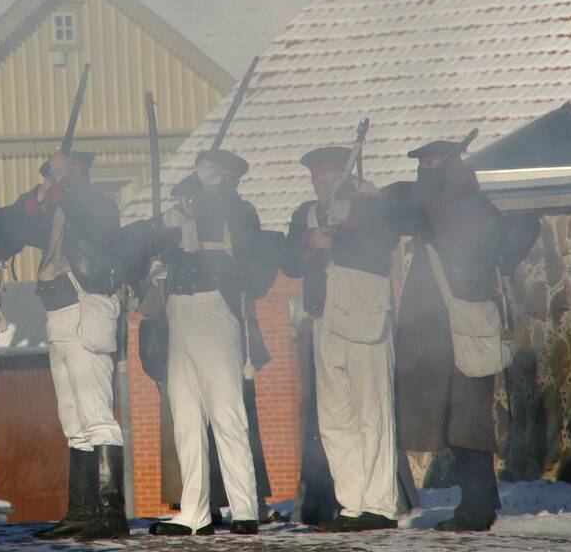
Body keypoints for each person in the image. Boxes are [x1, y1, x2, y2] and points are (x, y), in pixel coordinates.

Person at [1, 150, 129, 540]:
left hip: (84, 309)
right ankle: (82, 510)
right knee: (73, 420)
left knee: (97, 416)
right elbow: (19, 232)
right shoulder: (58, 209)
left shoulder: (97, 204)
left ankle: (110, 513)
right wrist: (38, 199)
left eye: (69, 173)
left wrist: (66, 188)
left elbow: (97, 223)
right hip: (57, 312)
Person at [389, 140, 506, 532]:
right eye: (423, 164)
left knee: (469, 426)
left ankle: (478, 508)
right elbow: (403, 210)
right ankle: (478, 502)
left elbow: (478, 249)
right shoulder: (436, 201)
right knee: (458, 428)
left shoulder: (470, 205)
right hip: (446, 336)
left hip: (465, 328)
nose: (427, 170)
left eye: (434, 163)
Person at [282, 146, 401, 532]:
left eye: (333, 180)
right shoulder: (306, 215)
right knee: (336, 420)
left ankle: (379, 505)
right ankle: (352, 504)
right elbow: (291, 261)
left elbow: (384, 239)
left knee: (373, 415)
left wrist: (352, 216)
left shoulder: (370, 204)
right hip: (325, 319)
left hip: (365, 316)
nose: (325, 187)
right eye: (320, 181)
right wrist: (311, 241)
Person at [149, 149, 266, 537]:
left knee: (226, 412)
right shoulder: (191, 207)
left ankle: (245, 508)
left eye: (216, 174)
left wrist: (209, 194)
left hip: (216, 307)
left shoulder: (238, 209)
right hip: (178, 309)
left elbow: (239, 236)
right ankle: (194, 510)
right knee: (185, 415)